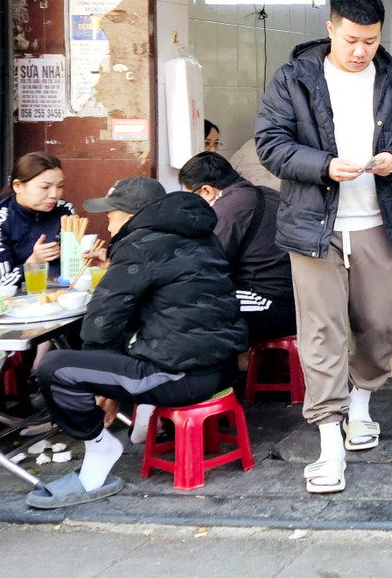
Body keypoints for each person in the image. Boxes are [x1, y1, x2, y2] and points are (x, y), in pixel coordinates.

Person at [255, 0, 392, 495]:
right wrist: (324, 166)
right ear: (331, 28)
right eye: (352, 39)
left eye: (371, 41)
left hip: (379, 221)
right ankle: (329, 444)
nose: (360, 51)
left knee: (382, 324)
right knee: (321, 332)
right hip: (315, 226)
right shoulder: (293, 79)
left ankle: (361, 406)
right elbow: (271, 145)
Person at [29, 177, 248, 509]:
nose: (108, 223)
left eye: (113, 215)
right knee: (98, 358)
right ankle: (122, 430)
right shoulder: (199, 235)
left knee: (55, 368)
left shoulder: (140, 245)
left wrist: (105, 389)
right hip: (221, 367)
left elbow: (102, 323)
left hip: (180, 375)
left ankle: (100, 450)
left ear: (131, 216)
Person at [178, 151, 295, 345]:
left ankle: (227, 373)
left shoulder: (228, 207)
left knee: (190, 315)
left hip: (267, 303)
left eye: (190, 195)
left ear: (206, 191)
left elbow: (208, 263)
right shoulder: (268, 194)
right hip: (292, 302)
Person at [0, 153, 73, 299]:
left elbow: (72, 263)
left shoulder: (64, 210)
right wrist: (33, 262)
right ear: (18, 186)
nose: (54, 195)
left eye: (60, 186)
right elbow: (1, 285)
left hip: (51, 294)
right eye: (45, 187)